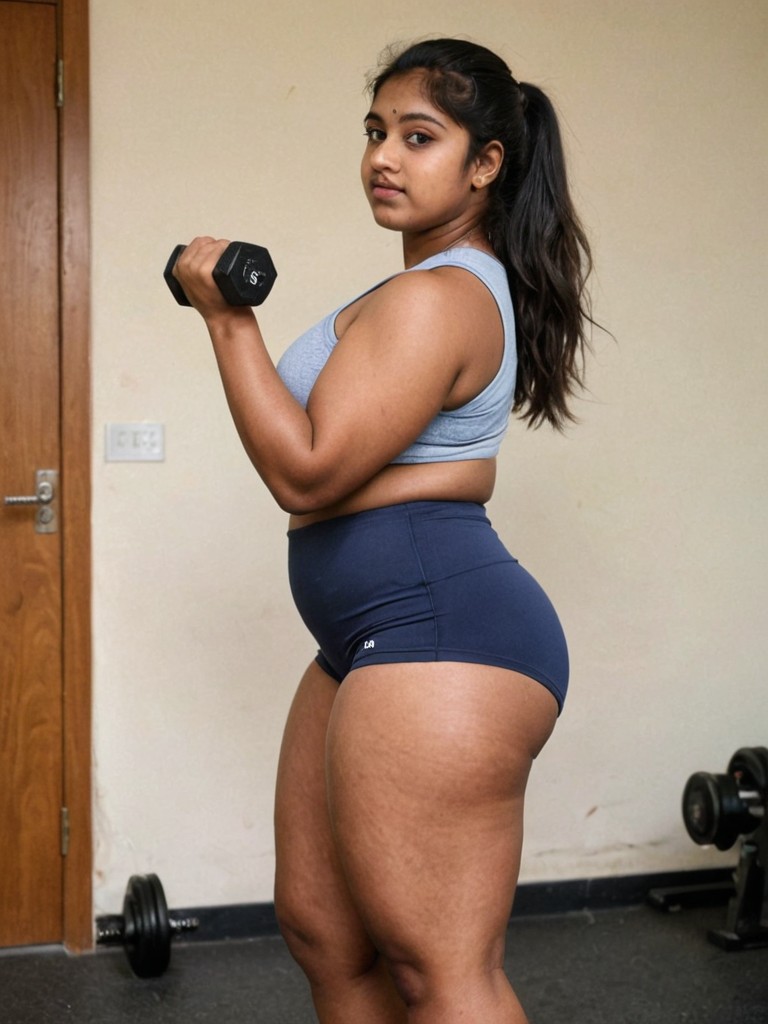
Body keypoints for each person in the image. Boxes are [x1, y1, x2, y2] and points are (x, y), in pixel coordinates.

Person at [175, 36, 593, 1024]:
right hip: (365, 637)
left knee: (439, 968)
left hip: (440, 630)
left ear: (486, 163)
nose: (383, 158)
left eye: (418, 136)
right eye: (375, 132)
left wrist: (228, 321)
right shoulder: (418, 290)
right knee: (327, 933)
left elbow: (305, 467)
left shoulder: (440, 297)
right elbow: (337, 464)